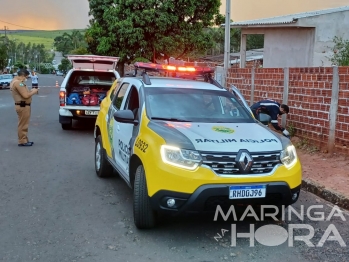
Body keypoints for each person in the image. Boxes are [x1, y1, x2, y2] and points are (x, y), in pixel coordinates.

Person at [10, 69, 39, 146]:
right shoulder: (18, 83)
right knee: (23, 124)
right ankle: (22, 141)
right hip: (23, 106)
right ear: (22, 76)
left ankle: (24, 139)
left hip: (22, 105)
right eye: (26, 77)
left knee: (23, 123)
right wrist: (34, 91)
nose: (26, 78)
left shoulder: (15, 81)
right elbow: (25, 95)